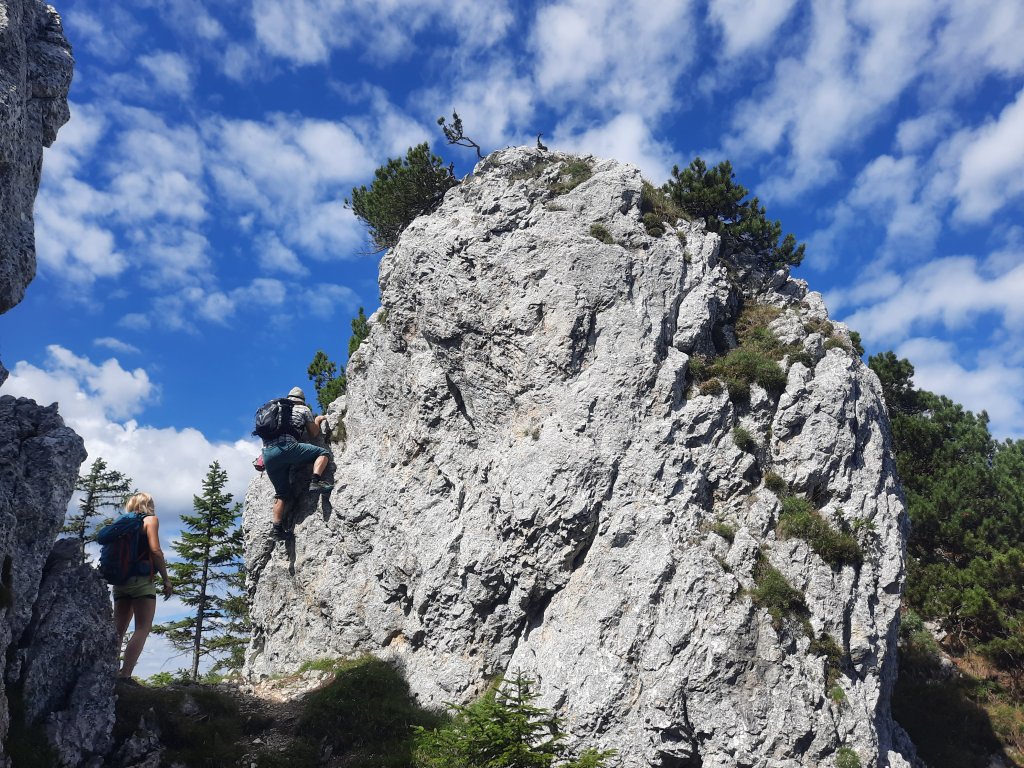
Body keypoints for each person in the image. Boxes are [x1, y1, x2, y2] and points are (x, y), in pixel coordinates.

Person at [113, 492, 172, 681]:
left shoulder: (120, 523)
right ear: (147, 505)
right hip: (142, 581)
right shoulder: (150, 520)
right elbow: (155, 551)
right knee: (142, 628)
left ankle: (108, 671)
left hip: (120, 580)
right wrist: (166, 579)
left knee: (118, 630)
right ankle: (125, 675)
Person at [261, 386, 332, 539]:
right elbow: (313, 434)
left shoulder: (275, 411)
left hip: (267, 455)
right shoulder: (303, 409)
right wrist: (318, 420)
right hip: (287, 448)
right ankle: (316, 481)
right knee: (323, 453)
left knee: (281, 493)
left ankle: (277, 530)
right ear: (302, 401)